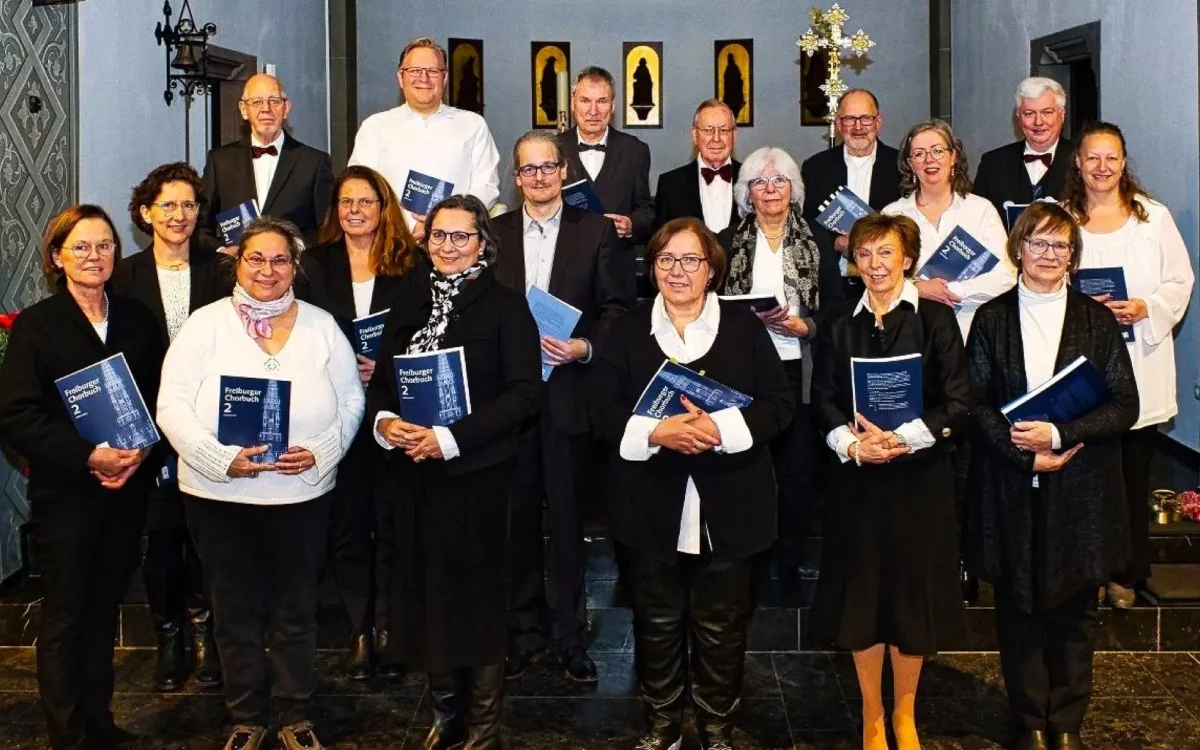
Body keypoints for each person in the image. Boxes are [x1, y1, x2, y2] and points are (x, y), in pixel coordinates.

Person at [157, 217, 364, 750]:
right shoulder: (204, 325)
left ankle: (296, 713)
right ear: (237, 262)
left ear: (295, 266)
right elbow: (172, 404)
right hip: (219, 497)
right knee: (234, 610)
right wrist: (218, 458)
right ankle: (245, 715)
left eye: (279, 260)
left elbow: (351, 400)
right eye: (256, 259)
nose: (267, 270)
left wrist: (320, 451)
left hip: (300, 496)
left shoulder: (322, 325)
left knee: (296, 609)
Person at [588, 218, 794, 750]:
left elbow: (779, 407)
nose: (678, 271)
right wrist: (657, 432)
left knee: (721, 625)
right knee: (655, 621)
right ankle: (661, 727)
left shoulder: (745, 328)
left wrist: (715, 429)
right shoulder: (626, 330)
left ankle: (716, 727)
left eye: (691, 260)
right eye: (666, 260)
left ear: (712, 270)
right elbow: (599, 412)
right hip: (647, 503)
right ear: (652, 267)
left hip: (733, 500)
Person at [367, 195, 541, 749]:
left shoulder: (508, 307)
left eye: (461, 237)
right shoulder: (408, 299)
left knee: (477, 600)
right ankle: (446, 717)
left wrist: (449, 439)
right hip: (414, 474)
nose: (448, 247)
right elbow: (383, 384)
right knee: (428, 594)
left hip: (479, 477)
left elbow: (523, 395)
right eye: (439, 236)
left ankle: (484, 729)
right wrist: (387, 422)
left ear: (483, 244)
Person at [966, 203, 1139, 750]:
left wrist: (1060, 437)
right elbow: (974, 403)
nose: (1048, 255)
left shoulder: (1098, 319)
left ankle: (1065, 722)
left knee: (1074, 611)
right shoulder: (991, 319)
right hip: (1013, 483)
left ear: (1073, 256)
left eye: (1060, 246)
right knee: (1018, 608)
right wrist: (1025, 453)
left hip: (1081, 484)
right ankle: (1029, 721)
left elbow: (1124, 406)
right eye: (1038, 243)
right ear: (1019, 248)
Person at [0, 205, 163, 750]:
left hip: (128, 491)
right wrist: (89, 457)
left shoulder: (139, 319)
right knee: (67, 615)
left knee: (104, 610)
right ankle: (66, 734)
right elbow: (18, 415)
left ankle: (100, 722)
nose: (95, 256)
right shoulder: (36, 326)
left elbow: (164, 399)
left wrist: (141, 455)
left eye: (105, 246)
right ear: (57, 257)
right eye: (82, 247)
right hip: (67, 495)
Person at [812, 213, 969, 750]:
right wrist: (855, 445)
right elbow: (824, 400)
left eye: (886, 254)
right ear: (852, 263)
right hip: (858, 482)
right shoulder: (838, 321)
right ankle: (872, 716)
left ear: (908, 259)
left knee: (909, 598)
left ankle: (905, 714)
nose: (875, 265)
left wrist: (902, 439)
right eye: (865, 255)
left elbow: (959, 401)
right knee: (863, 599)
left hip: (919, 480)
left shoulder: (935, 321)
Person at [491, 130, 630, 683]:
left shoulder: (594, 230)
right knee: (517, 522)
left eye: (549, 167)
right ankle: (523, 634)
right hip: (510, 403)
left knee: (571, 523)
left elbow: (619, 308)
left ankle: (570, 637)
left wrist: (585, 346)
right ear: (515, 176)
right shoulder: (494, 233)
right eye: (529, 170)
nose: (540, 177)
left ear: (564, 169)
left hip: (571, 395)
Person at [1060, 121, 1195, 609]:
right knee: (1082, 477)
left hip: (1139, 357)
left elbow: (1180, 281)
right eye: (1092, 157)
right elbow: (1037, 276)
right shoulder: (1060, 219)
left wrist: (1146, 307)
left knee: (1131, 476)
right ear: (1077, 162)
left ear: (1123, 162)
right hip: (1081, 367)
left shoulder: (1152, 218)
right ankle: (1083, 571)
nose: (1101, 167)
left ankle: (1127, 572)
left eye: (1110, 157)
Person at [296, 165, 419, 678]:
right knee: (347, 527)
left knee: (393, 525)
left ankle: (391, 630)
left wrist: (383, 367)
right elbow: (301, 330)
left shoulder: (410, 264)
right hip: (336, 411)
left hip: (394, 410)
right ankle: (359, 631)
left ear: (383, 206)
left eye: (365, 201)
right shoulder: (315, 265)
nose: (355, 211)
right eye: (346, 202)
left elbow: (425, 333)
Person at [113, 163, 230, 693]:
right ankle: (170, 641)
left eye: (188, 205)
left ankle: (208, 641)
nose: (180, 215)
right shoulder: (123, 277)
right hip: (149, 428)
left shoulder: (221, 269)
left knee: (208, 538)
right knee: (161, 541)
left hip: (210, 423)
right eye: (168, 206)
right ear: (145, 213)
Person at [716, 146, 820, 579]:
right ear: (747, 192)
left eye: (780, 181)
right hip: (745, 368)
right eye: (760, 181)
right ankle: (748, 551)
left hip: (800, 365)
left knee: (796, 470)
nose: (770, 189)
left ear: (794, 189)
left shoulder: (818, 241)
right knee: (746, 462)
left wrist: (806, 327)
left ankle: (791, 559)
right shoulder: (724, 241)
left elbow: (834, 307)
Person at [350, 37, 501, 239]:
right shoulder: (374, 127)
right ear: (400, 78)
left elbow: (486, 185)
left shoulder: (473, 125)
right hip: (391, 241)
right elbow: (360, 188)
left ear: (445, 78)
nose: (424, 78)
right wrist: (403, 228)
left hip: (455, 241)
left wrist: (442, 225)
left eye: (433, 71)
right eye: (415, 71)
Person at [883, 119, 1013, 340]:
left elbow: (1006, 277)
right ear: (910, 163)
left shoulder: (981, 210)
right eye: (919, 154)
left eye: (937, 151)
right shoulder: (892, 215)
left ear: (953, 157)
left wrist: (953, 291)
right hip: (913, 333)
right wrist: (916, 288)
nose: (929, 159)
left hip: (973, 334)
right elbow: (880, 278)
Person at [196, 73, 334, 253]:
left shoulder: (314, 163)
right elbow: (200, 225)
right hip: (234, 273)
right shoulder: (220, 161)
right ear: (244, 110)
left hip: (294, 272)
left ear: (286, 108)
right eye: (257, 102)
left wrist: (294, 249)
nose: (266, 109)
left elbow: (329, 228)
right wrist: (222, 250)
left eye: (274, 101)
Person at [557, 66, 655, 298]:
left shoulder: (635, 151)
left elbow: (647, 210)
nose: (593, 110)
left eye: (601, 101)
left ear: (612, 106)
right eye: (585, 101)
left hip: (618, 271)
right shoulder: (553, 148)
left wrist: (631, 224)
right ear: (573, 103)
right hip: (566, 269)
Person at [800, 89, 903, 305]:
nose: (858, 127)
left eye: (865, 118)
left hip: (888, 286)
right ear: (838, 124)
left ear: (878, 122)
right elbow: (805, 224)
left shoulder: (901, 167)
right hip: (834, 287)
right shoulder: (815, 168)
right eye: (849, 119)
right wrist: (836, 243)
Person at [974, 77, 1073, 221]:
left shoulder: (1082, 160)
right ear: (1018, 117)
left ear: (1062, 115)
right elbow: (977, 222)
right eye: (1029, 114)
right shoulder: (993, 163)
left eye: (1047, 112)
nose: (1038, 122)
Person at [654, 100, 742, 235]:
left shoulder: (752, 180)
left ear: (734, 136)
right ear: (695, 135)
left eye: (724, 130)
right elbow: (660, 243)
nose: (716, 138)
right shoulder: (670, 184)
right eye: (708, 130)